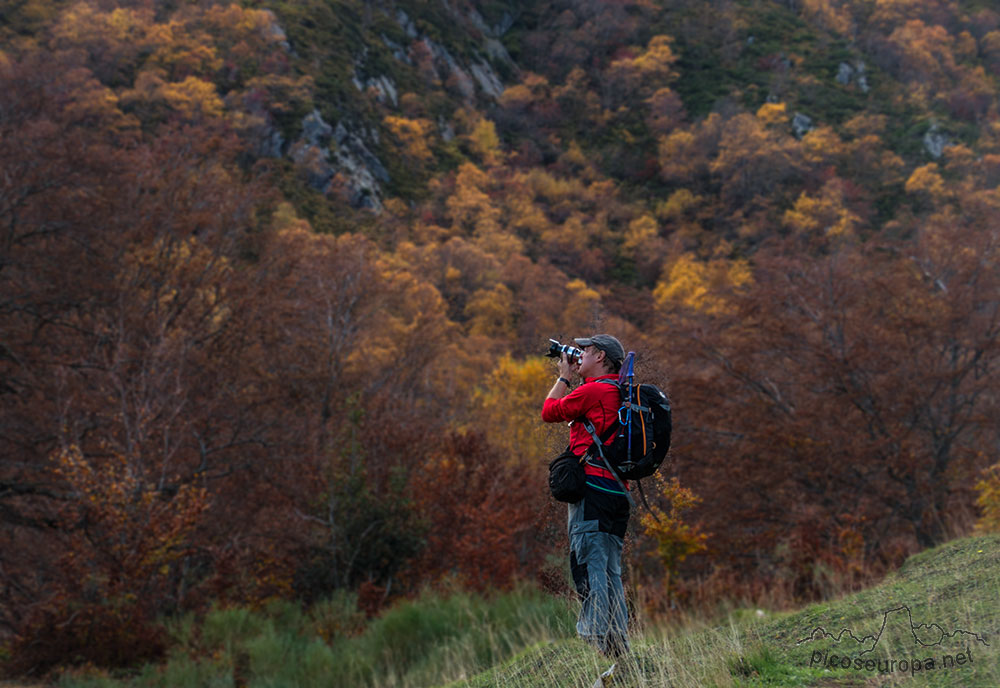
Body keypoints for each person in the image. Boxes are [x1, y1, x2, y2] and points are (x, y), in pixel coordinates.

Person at [541, 334, 630, 657]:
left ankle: (596, 641)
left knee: (588, 564)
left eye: (586, 351)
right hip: (617, 492)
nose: (580, 355)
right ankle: (618, 645)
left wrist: (564, 375)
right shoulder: (617, 392)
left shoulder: (595, 390)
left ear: (602, 357)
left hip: (592, 490)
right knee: (609, 570)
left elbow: (549, 410)